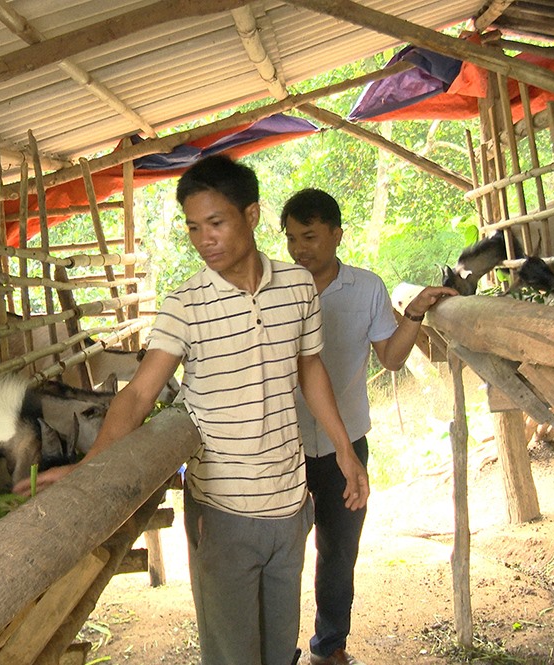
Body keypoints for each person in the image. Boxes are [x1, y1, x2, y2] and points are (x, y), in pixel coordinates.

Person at [23, 157, 370, 665]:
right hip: (222, 515)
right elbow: (140, 395)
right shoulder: (185, 304)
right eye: (192, 227)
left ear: (251, 215)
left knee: (279, 651)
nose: (203, 238)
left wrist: (344, 449)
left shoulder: (297, 288)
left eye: (216, 223)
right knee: (233, 656)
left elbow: (310, 367)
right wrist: (89, 464)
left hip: (291, 506)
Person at [280, 189, 455, 665]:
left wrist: (415, 312)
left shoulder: (367, 288)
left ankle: (329, 646)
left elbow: (392, 358)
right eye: (292, 238)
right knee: (280, 553)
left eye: (310, 236)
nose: (300, 249)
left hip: (347, 446)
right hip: (282, 446)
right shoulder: (274, 291)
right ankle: (277, 651)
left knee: (338, 551)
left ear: (337, 234)